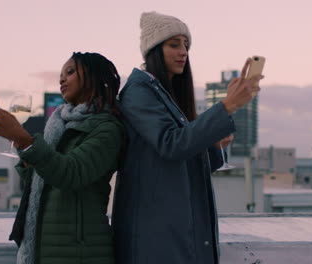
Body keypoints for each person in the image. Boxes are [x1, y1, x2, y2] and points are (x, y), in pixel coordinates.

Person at [112, 12, 263, 264]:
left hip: (177, 227)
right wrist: (227, 106)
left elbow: (191, 159)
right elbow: (171, 145)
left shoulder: (166, 95)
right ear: (153, 50)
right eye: (174, 44)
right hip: (156, 233)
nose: (183, 51)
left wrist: (213, 142)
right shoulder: (138, 92)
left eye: (186, 45)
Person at [0, 52, 125, 264]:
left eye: (70, 72)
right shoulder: (58, 124)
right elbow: (41, 178)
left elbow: (70, 173)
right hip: (49, 249)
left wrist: (23, 138)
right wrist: (19, 142)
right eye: (61, 75)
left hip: (81, 252)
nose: (62, 79)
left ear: (93, 76)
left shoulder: (107, 128)